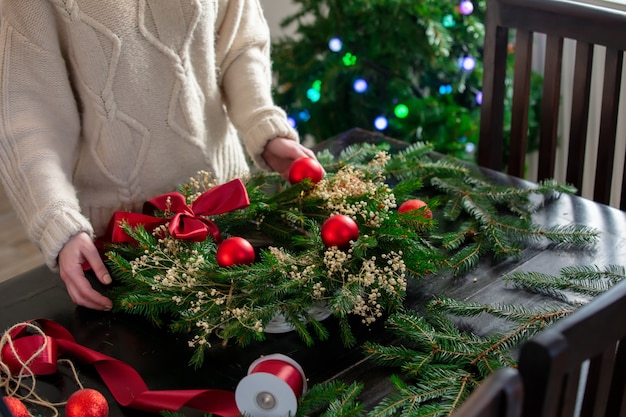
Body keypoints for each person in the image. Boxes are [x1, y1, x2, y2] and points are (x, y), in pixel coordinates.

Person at [0, 0, 317, 311]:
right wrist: (57, 219)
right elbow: (29, 117)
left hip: (232, 207)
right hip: (125, 244)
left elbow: (238, 41)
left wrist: (262, 124)